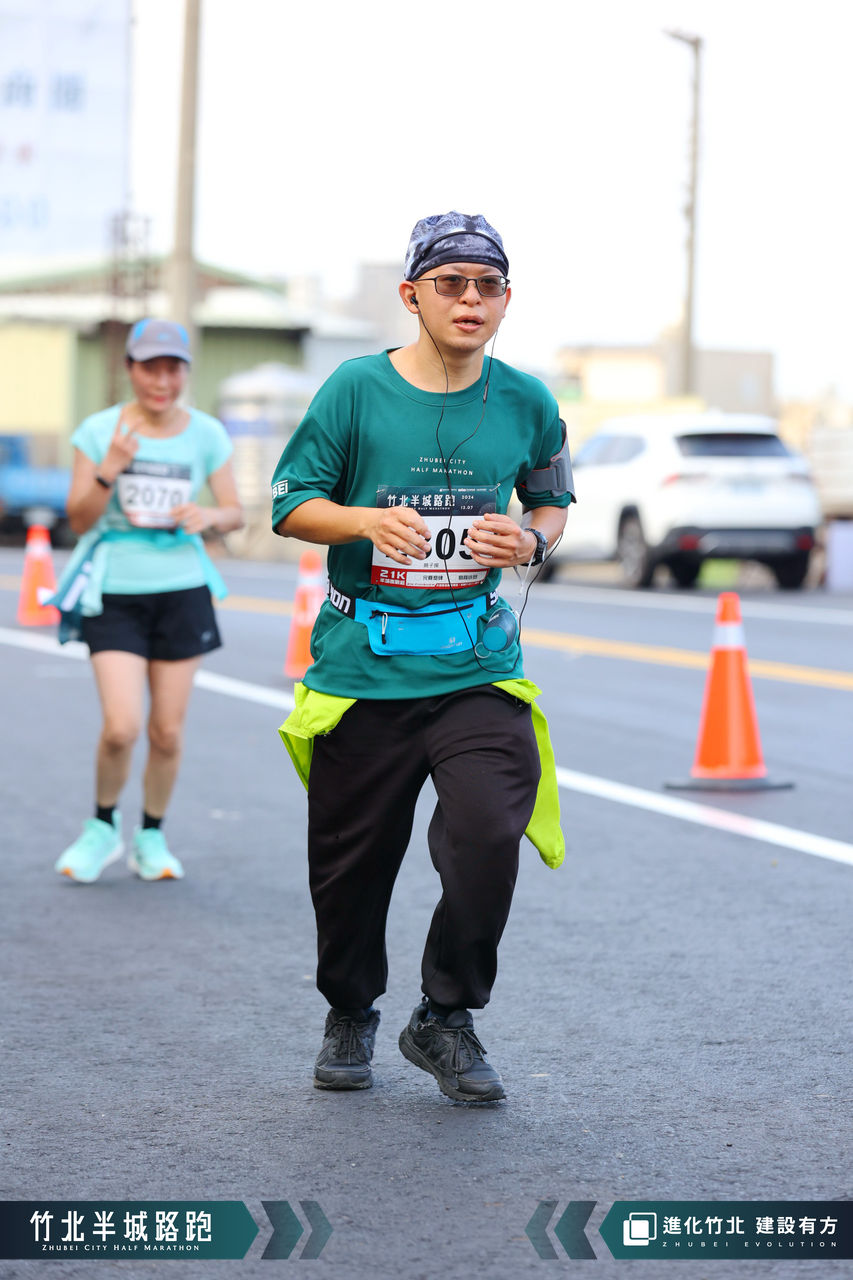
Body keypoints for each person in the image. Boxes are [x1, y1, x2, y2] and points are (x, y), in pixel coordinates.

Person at [272, 212, 574, 1102]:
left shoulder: (526, 400)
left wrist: (530, 539)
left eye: (488, 285)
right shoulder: (355, 389)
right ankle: (349, 1008)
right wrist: (365, 521)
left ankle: (445, 1016)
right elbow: (291, 505)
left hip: (475, 662)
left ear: (506, 300)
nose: (470, 299)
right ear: (412, 295)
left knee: (487, 831)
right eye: (451, 283)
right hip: (364, 665)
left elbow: (552, 500)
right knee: (352, 865)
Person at [52, 319, 243, 884]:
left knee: (167, 732)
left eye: (173, 369)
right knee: (121, 726)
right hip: (115, 590)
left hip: (183, 589)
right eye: (150, 368)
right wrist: (109, 468)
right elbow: (79, 519)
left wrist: (207, 515)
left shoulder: (206, 433)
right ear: (130, 369)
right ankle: (101, 826)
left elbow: (234, 511)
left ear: (186, 372)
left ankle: (151, 836)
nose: (162, 381)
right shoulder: (98, 431)